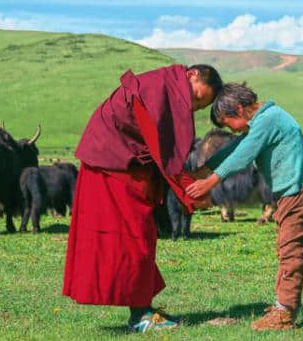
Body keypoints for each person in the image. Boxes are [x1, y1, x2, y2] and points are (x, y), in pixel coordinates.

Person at [63, 64, 222, 333]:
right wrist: (191, 191)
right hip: (113, 165)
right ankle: (140, 316)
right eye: (196, 98)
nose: (193, 107)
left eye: (200, 106)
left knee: (142, 233)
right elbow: (163, 149)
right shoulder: (159, 88)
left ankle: (143, 309)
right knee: (136, 235)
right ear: (192, 73)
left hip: (123, 165)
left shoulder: (165, 87)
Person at [186, 83, 303, 331]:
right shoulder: (263, 120)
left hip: (297, 192)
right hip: (290, 193)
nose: (230, 130)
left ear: (239, 109)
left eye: (228, 123)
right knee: (286, 248)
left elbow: (243, 155)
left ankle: (285, 314)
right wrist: (205, 168)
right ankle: (282, 305)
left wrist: (210, 182)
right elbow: (234, 147)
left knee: (291, 252)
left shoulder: (269, 119)